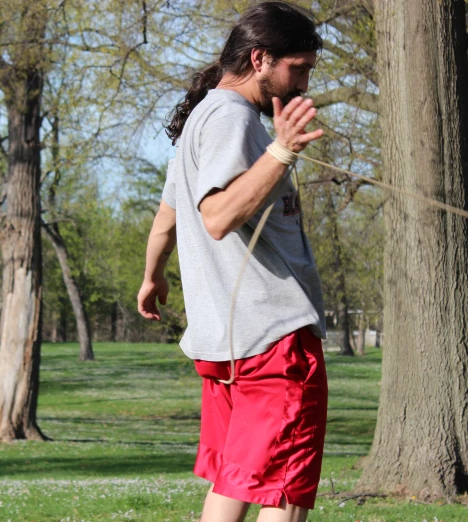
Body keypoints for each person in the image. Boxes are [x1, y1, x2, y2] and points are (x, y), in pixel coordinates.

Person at [137, 3, 327, 521]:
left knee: (236, 482)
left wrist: (152, 276)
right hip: (274, 339)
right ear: (261, 59)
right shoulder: (231, 117)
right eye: (300, 68)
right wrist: (282, 153)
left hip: (233, 345)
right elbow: (217, 216)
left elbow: (167, 216)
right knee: (283, 491)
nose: (304, 84)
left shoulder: (206, 116)